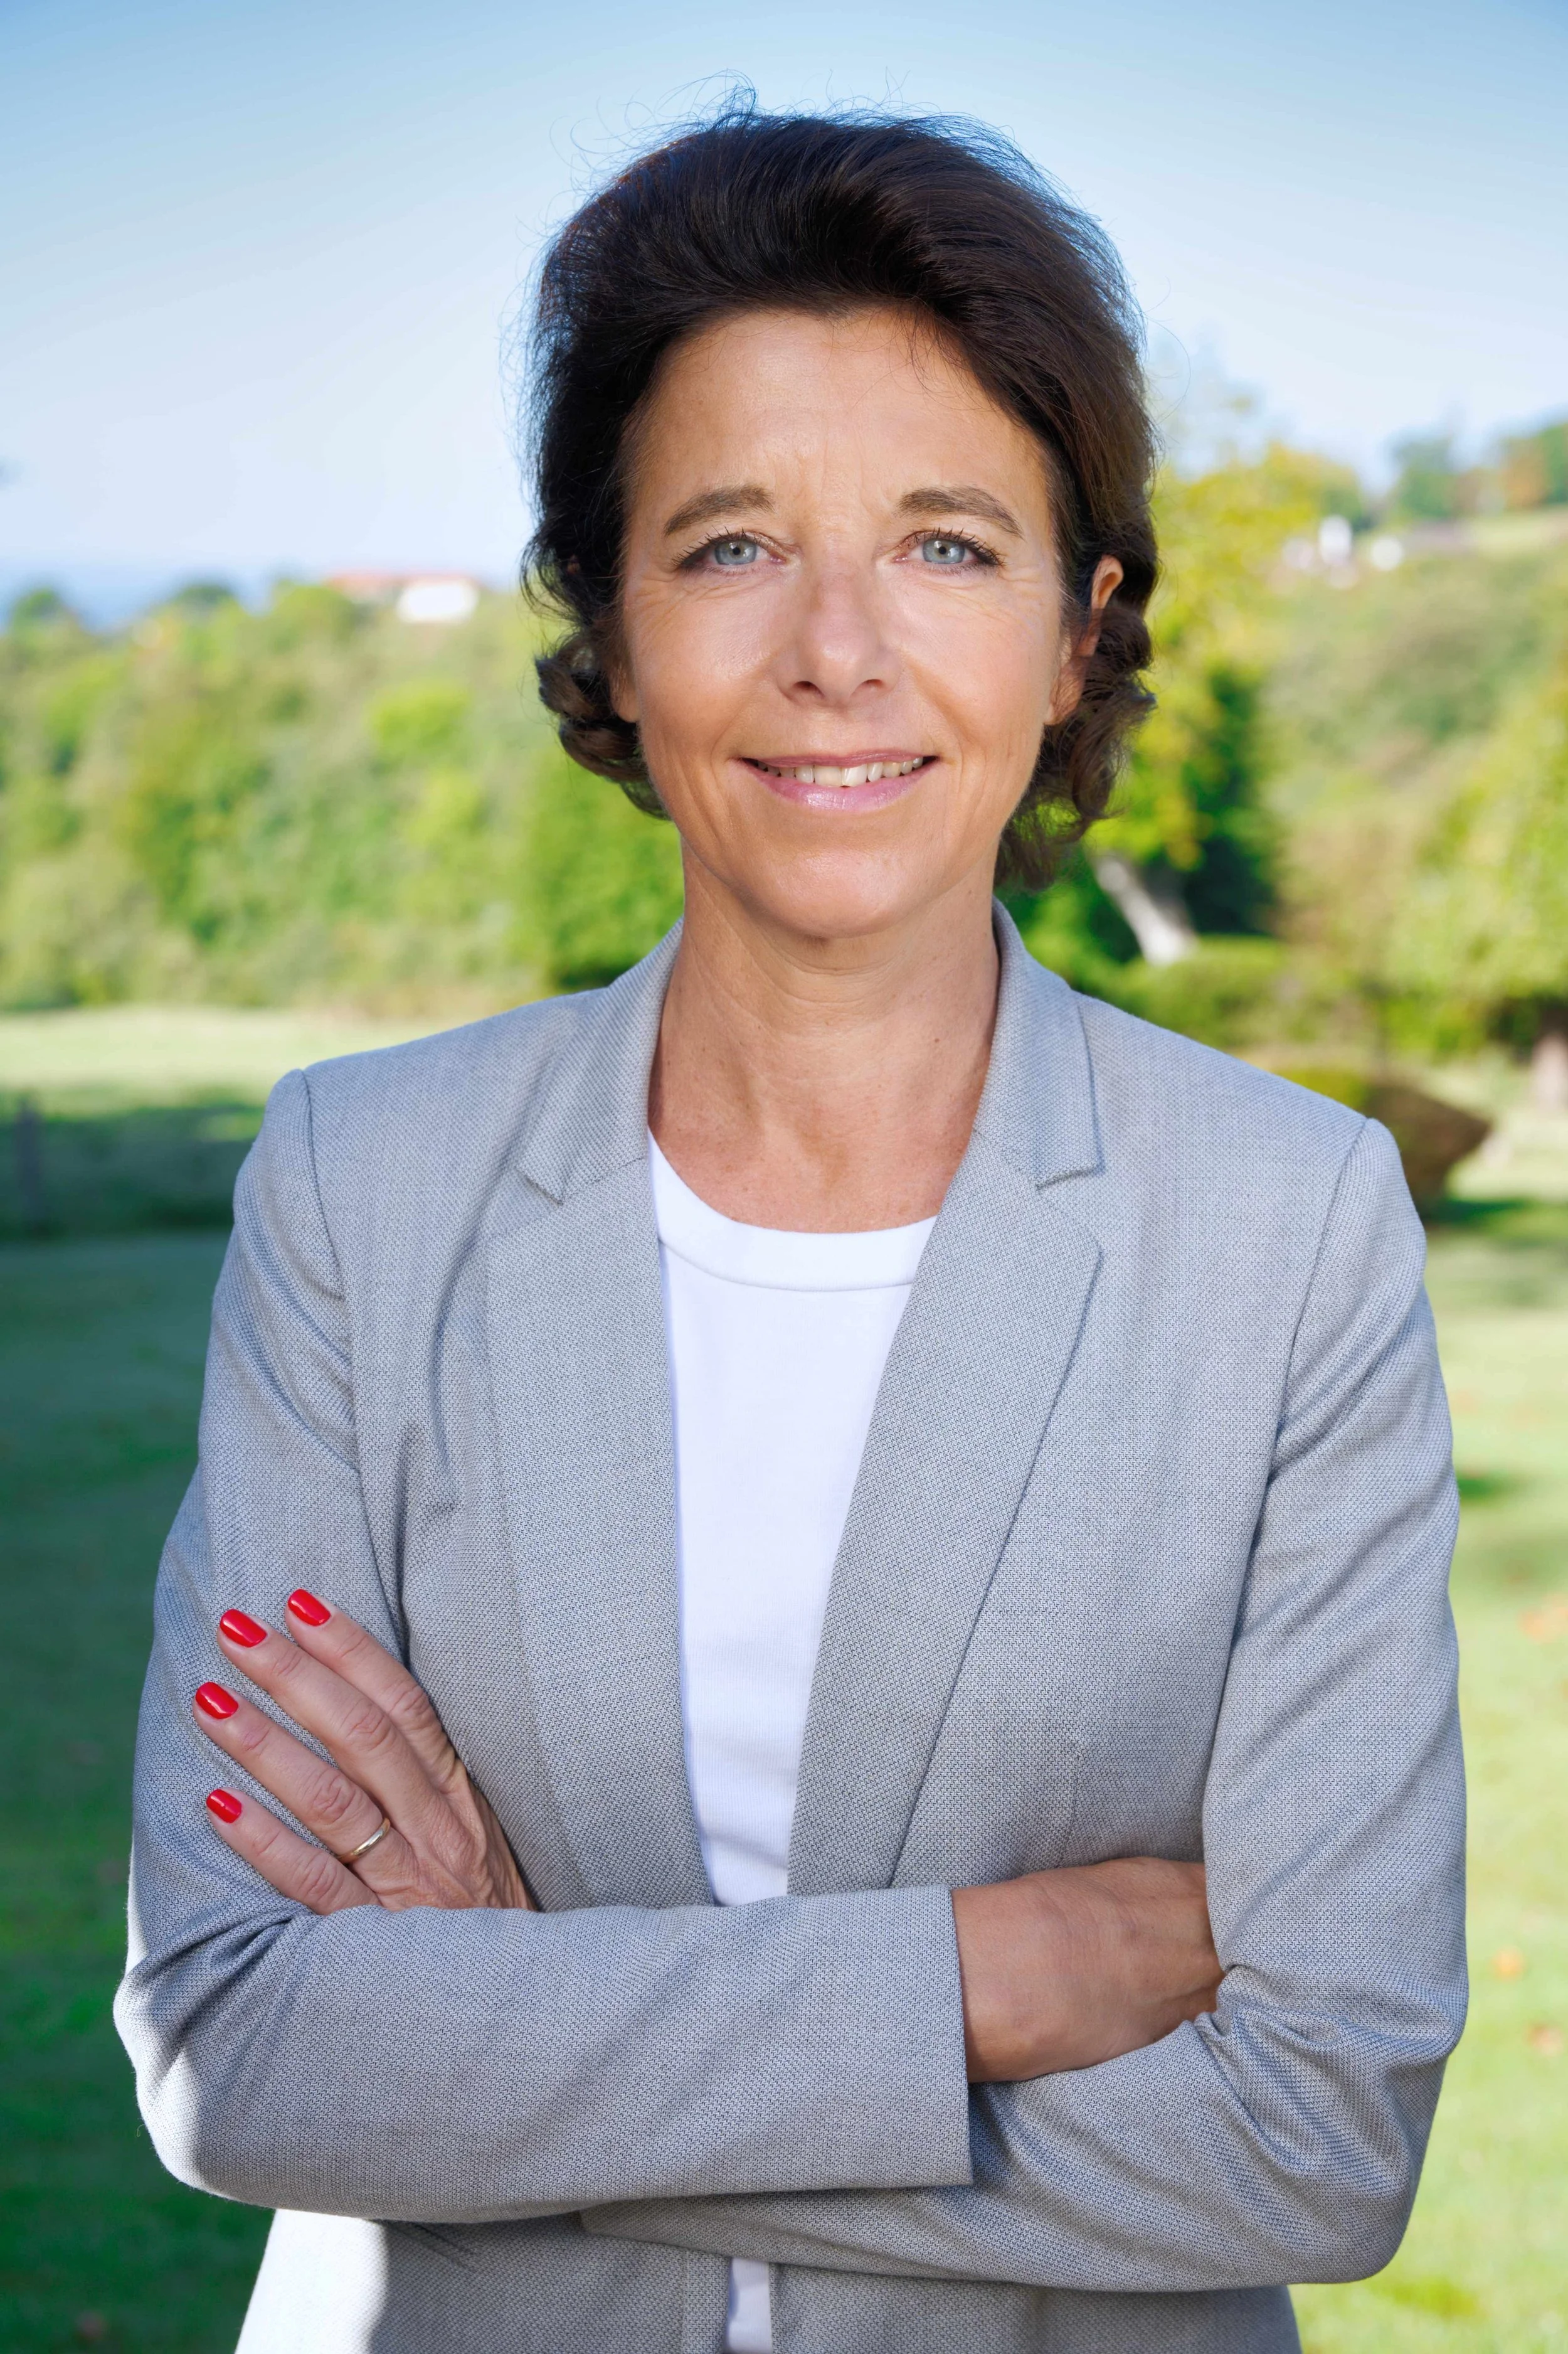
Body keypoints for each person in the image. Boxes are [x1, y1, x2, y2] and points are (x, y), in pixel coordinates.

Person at [116, 109, 1466, 2354]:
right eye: (732, 544)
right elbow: (246, 2041)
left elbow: (1315, 2133)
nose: (839, 651)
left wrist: (517, 2027)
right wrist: (977, 1982)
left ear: (1074, 628)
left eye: (945, 546)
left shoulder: (1286, 1225)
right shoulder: (361, 1188)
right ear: (616, 624)